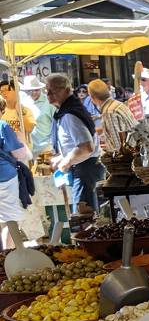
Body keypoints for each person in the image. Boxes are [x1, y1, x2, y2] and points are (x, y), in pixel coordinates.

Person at [45, 74, 102, 215]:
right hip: (84, 168)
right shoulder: (67, 110)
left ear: (66, 90)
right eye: (47, 90)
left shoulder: (70, 114)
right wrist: (63, 157)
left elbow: (86, 147)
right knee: (84, 218)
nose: (49, 94)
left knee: (84, 219)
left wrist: (66, 161)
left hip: (86, 168)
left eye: (53, 90)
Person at [0, 94, 32, 248]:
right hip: (4, 178)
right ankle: (8, 257)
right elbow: (20, 154)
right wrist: (21, 140)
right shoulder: (3, 126)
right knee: (10, 221)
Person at [87, 79, 136, 153]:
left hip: (126, 158)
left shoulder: (109, 112)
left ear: (92, 98)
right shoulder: (118, 104)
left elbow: (117, 146)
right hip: (133, 150)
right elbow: (120, 129)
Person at [19, 75, 54, 157]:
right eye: (30, 90)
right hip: (30, 147)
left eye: (36, 90)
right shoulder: (23, 103)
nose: (33, 92)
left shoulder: (49, 102)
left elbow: (57, 124)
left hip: (47, 147)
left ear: (40, 89)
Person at [0, 80, 35, 149]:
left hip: (24, 152)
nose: (4, 93)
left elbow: (29, 129)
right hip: (7, 153)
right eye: (1, 91)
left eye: (7, 90)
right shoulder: (1, 111)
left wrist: (19, 111)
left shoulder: (26, 110)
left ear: (16, 91)